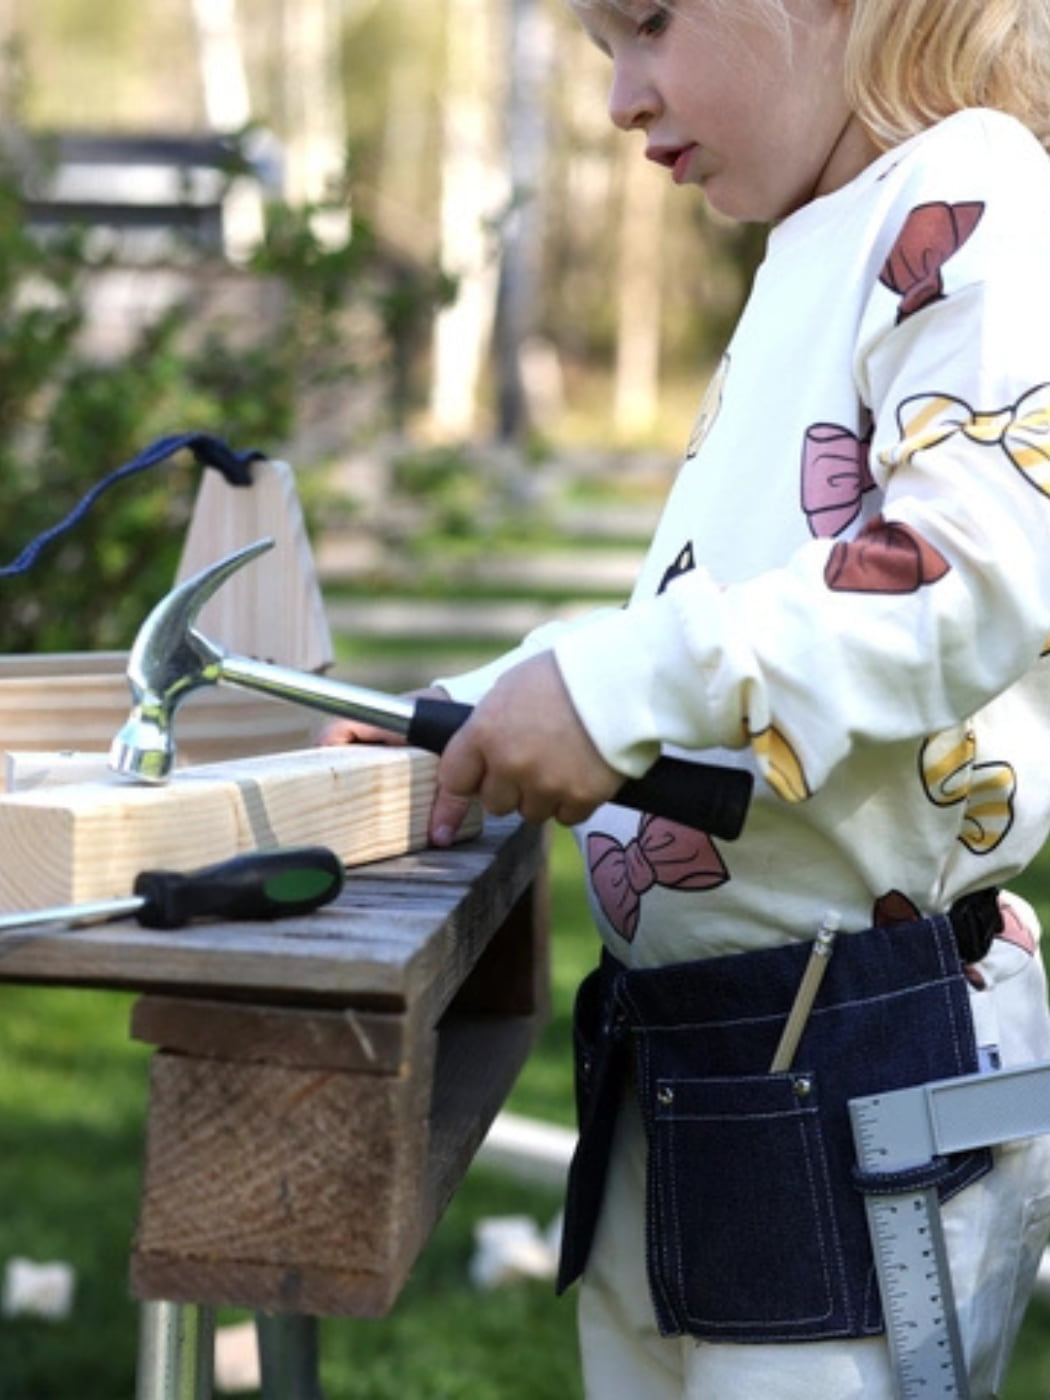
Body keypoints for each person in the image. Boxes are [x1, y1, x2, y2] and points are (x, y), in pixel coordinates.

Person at [323, 1, 1050, 1394]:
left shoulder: (980, 192)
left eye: (647, 25)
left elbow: (963, 572)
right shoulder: (811, 244)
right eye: (603, 48)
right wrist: (465, 704)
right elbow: (716, 608)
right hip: (701, 1059)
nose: (619, 96)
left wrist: (613, 691)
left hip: (860, 1063)